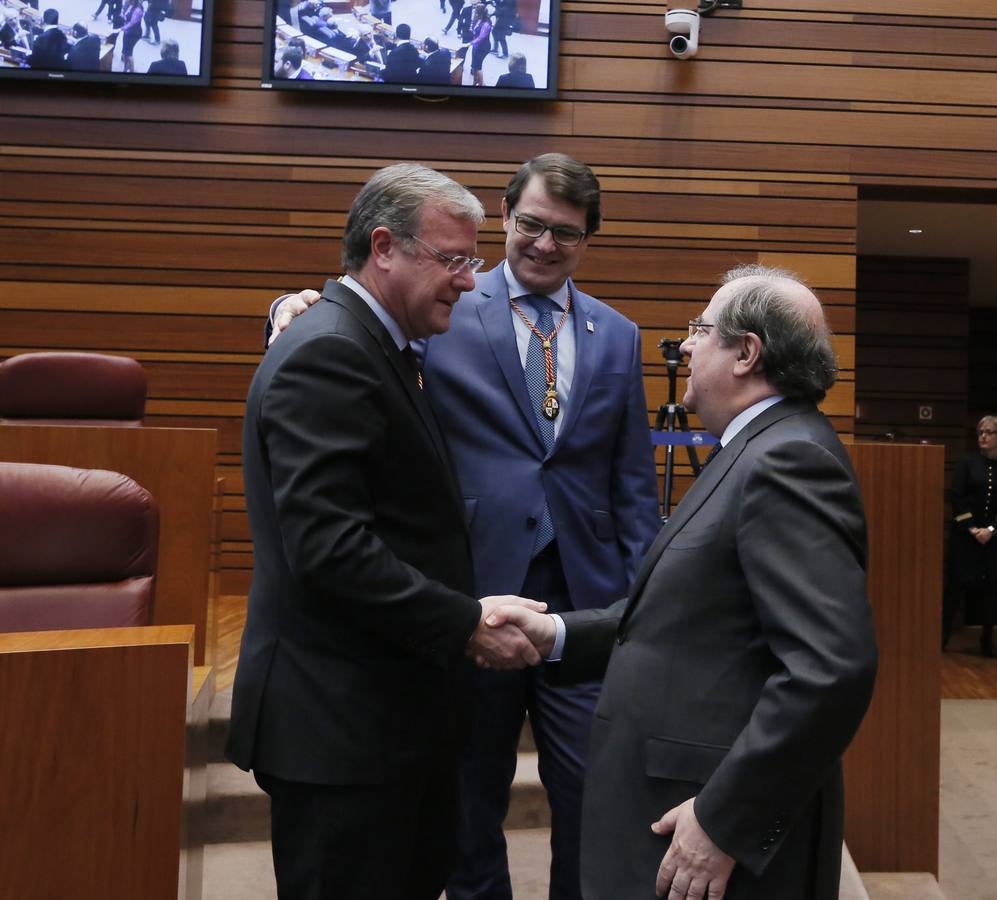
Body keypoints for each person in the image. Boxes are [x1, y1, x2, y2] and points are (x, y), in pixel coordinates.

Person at [268, 153, 661, 900]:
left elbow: (632, 480)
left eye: (566, 235)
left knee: (591, 794)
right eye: (530, 225)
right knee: (466, 795)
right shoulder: (447, 299)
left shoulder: (617, 333)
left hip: (583, 597)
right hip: (469, 591)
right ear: (506, 217)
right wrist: (290, 306)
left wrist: (639, 602)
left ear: (588, 241)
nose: (545, 245)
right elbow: (358, 323)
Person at [489, 265, 879, 900]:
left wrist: (725, 820)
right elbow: (685, 617)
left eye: (701, 330)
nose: (687, 347)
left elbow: (830, 668)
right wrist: (555, 632)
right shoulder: (756, 448)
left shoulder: (789, 461)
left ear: (747, 352)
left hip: (703, 823)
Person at [226, 164, 546, 900]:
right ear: (384, 247)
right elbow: (330, 549)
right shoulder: (333, 353)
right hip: (339, 733)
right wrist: (463, 621)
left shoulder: (375, 345)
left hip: (380, 724)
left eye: (475, 260)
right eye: (454, 259)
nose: (470, 281)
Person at [942, 414, 997, 654]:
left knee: (992, 591)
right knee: (954, 589)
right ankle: (941, 640)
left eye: (989, 432)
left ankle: (987, 642)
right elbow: (957, 498)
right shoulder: (967, 462)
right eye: (980, 432)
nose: (983, 436)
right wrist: (973, 528)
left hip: (993, 539)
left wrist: (992, 530)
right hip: (966, 537)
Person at [468, 3, 491, 86]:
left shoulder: (486, 24)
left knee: (478, 67)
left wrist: (470, 43)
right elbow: (474, 29)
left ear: (479, 13)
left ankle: (481, 84)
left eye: (476, 12)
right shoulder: (479, 19)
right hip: (476, 46)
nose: (474, 13)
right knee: (474, 65)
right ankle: (475, 82)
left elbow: (481, 37)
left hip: (482, 47)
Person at [118, 0, 144, 72]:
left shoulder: (138, 9)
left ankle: (132, 71)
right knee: (126, 52)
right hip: (128, 32)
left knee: (129, 53)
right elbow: (127, 16)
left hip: (134, 33)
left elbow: (132, 23)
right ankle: (125, 69)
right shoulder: (131, 5)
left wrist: (122, 28)